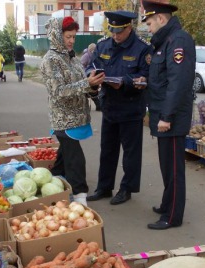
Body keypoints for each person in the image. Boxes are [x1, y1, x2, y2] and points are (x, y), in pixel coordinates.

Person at [86, 11, 152, 206]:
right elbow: (91, 66)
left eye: (119, 32)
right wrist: (93, 76)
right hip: (110, 106)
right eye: (113, 31)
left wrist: (125, 83)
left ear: (129, 28)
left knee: (131, 153)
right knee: (107, 149)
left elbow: (146, 76)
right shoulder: (103, 45)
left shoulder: (142, 49)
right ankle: (104, 187)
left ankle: (126, 189)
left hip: (131, 108)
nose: (115, 35)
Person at [140, 0, 196, 230]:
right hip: (164, 114)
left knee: (173, 169)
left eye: (150, 22)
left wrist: (166, 116)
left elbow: (178, 83)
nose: (149, 28)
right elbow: (163, 78)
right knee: (166, 165)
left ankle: (172, 216)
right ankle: (167, 203)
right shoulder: (165, 41)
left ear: (161, 19)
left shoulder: (178, 40)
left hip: (171, 118)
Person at [39, 16, 105, 206]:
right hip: (63, 119)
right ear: (57, 36)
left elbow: (80, 84)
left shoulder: (72, 57)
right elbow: (58, 91)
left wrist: (92, 85)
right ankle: (80, 196)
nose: (71, 41)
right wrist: (86, 83)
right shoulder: (51, 60)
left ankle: (50, 186)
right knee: (75, 158)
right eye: (68, 36)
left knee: (64, 157)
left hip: (78, 117)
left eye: (74, 37)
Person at [80, 43, 101, 111]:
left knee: (92, 90)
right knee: (90, 90)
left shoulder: (94, 56)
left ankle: (98, 105)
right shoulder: (86, 56)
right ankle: (98, 105)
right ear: (91, 50)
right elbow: (81, 66)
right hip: (85, 75)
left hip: (92, 75)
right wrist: (85, 73)